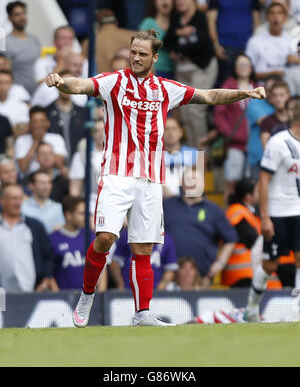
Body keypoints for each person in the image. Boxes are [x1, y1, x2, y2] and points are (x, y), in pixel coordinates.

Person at [46, 28, 265, 327]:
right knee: (106, 238)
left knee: (143, 248)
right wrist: (61, 82)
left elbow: (209, 95)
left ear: (154, 57)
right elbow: (81, 85)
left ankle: (142, 313)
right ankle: (87, 295)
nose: (135, 57)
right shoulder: (114, 81)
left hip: (150, 179)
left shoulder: (166, 89)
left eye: (142, 54)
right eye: (133, 51)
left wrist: (245, 93)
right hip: (116, 173)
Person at [244, 99, 300, 321]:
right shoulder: (279, 142)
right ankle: (251, 307)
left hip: (298, 211)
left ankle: (297, 312)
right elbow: (264, 179)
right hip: (278, 212)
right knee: (270, 264)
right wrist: (265, 217)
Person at [164, 165, 238, 287]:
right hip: (169, 278)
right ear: (181, 182)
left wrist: (219, 264)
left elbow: (231, 239)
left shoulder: (214, 210)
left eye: (196, 180)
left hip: (202, 278)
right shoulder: (167, 206)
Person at [164, 0, 217, 145]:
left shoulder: (200, 17)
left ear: (193, 0)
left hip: (202, 67)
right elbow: (166, 41)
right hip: (183, 70)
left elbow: (202, 43)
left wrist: (179, 51)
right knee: (185, 114)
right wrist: (179, 33)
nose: (180, 2)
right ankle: (192, 156)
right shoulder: (176, 19)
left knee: (195, 111)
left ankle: (202, 160)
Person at [214, 54, 257, 204]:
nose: (243, 67)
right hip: (234, 145)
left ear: (251, 68)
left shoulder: (257, 87)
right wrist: (230, 134)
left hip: (253, 145)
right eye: (240, 64)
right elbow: (218, 115)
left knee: (250, 186)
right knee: (231, 184)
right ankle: (229, 220)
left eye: (246, 64)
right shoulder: (228, 86)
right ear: (235, 68)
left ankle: (247, 220)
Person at [0, 183, 57, 292]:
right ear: (2, 200)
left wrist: (45, 281)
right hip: (1, 294)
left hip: (32, 291)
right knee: (3, 309)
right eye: (13, 199)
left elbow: (49, 256)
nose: (18, 203)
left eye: (20, 198)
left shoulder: (35, 226)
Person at [207, 0, 261, 85]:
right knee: (225, 83)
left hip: (248, 46)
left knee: (249, 83)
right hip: (225, 47)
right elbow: (211, 21)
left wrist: (256, 46)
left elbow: (257, 22)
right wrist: (216, 45)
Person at [110, 228, 178, 290]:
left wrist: (161, 287)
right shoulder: (127, 235)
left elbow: (170, 269)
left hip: (154, 290)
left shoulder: (166, 239)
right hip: (128, 289)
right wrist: (120, 283)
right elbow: (115, 263)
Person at [50, 196, 95, 290]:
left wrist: (101, 295)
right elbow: (49, 273)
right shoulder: (53, 239)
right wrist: (58, 296)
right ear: (68, 215)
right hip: (64, 298)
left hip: (90, 297)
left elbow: (101, 268)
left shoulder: (91, 235)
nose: (86, 217)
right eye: (82, 214)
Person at [245, 2, 299, 81]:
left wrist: (297, 60)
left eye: (279, 13)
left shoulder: (293, 42)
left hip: (288, 89)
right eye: (272, 13)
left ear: (285, 18)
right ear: (267, 17)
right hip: (262, 87)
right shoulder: (255, 41)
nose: (275, 17)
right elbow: (247, 72)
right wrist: (272, 74)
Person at [45, 70, 88, 165]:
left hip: (79, 167)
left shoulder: (84, 112)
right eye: (63, 82)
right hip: (55, 168)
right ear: (56, 85)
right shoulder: (46, 113)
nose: (67, 86)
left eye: (71, 83)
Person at [14, 105, 68, 176]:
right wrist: (36, 141)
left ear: (48, 123)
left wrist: (43, 151)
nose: (39, 124)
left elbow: (60, 164)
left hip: (52, 178)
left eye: (42, 121)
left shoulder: (57, 138)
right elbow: (23, 167)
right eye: (35, 121)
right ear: (29, 124)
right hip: (30, 180)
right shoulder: (21, 140)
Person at [69, 115, 104, 215]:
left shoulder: (119, 156)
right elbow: (74, 191)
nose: (101, 134)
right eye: (97, 131)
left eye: (104, 130)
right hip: (90, 210)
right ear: (92, 134)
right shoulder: (80, 157)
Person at [81, 9, 136, 74]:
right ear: (116, 22)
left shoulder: (88, 42)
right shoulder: (133, 37)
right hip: (125, 81)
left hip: (100, 81)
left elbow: (82, 66)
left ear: (97, 25)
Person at [5, 1, 41, 96]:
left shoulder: (34, 39)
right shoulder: (4, 42)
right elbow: (5, 70)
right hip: (17, 95)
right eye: (17, 14)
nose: (22, 17)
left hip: (38, 92)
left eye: (23, 13)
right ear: (9, 18)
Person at [246, 74, 278, 181]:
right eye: (268, 89)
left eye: (274, 90)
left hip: (281, 157)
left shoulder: (288, 106)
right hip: (259, 156)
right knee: (258, 192)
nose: (270, 93)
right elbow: (266, 124)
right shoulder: (255, 101)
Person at [139, 0, 176, 78]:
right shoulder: (148, 23)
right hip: (154, 71)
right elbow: (139, 47)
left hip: (176, 72)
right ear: (155, 2)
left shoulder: (177, 23)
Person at [163, 116, 198, 198]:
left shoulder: (194, 154)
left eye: (174, 129)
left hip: (187, 200)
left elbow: (198, 181)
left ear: (181, 132)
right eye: (166, 129)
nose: (170, 132)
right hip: (160, 201)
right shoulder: (153, 156)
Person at [260, 80, 290, 148]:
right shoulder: (266, 122)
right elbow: (267, 151)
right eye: (275, 95)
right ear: (271, 98)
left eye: (281, 95)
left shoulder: (296, 120)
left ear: (288, 95)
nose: (278, 99)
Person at [0, 70, 29, 137]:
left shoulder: (21, 105)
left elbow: (23, 129)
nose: (2, 86)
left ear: (11, 84)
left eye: (6, 82)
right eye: (0, 82)